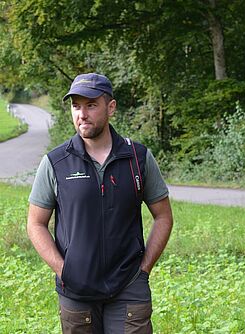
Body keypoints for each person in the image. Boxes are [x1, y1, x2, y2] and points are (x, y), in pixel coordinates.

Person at [27, 73, 174, 333]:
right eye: (76, 106)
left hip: (129, 286)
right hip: (76, 290)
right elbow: (35, 223)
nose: (82, 114)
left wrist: (143, 270)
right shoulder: (56, 162)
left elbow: (163, 216)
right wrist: (64, 271)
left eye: (91, 105)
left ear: (111, 107)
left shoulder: (137, 158)